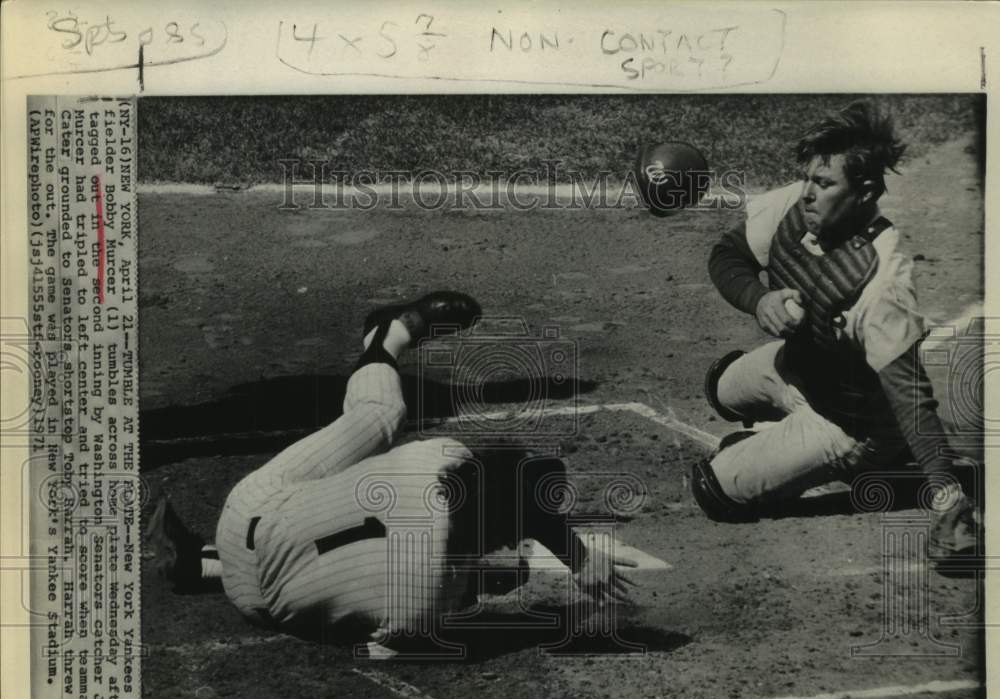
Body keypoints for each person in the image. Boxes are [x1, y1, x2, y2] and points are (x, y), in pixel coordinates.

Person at [147, 291, 637, 655]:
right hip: (254, 602)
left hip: (248, 511)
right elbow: (373, 636)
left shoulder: (438, 458)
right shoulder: (435, 602)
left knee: (379, 417)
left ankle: (389, 338)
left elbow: (506, 494)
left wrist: (575, 555)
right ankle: (201, 564)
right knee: (331, 581)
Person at [690, 100, 981, 572]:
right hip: (799, 371)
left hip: (851, 423)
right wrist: (759, 300)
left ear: (863, 192)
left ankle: (885, 465)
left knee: (715, 490)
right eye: (807, 177)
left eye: (823, 184)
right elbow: (728, 255)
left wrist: (946, 496)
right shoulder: (799, 204)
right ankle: (782, 435)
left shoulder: (883, 283)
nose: (807, 192)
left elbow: (910, 394)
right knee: (721, 384)